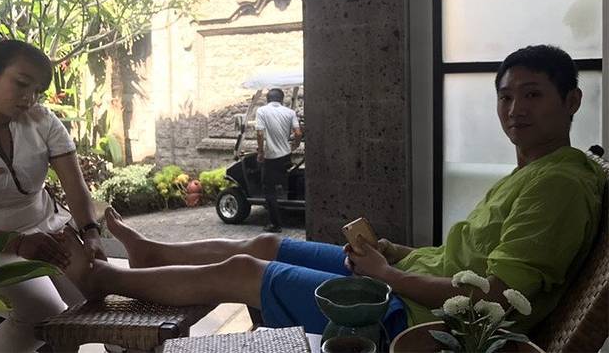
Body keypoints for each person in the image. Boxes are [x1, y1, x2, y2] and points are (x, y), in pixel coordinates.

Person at [61, 45, 605, 340]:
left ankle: (107, 277)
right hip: (410, 281)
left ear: (572, 101)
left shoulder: (558, 185)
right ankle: (153, 251)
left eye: (533, 95)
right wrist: (393, 253)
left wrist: (387, 276)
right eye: (506, 97)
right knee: (266, 244)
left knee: (245, 272)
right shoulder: (539, 170)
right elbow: (469, 263)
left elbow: (496, 300)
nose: (515, 109)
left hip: (419, 322)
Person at [0, 39, 107, 353]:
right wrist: (18, 243)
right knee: (44, 313)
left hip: (50, 234)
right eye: (21, 84)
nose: (29, 98)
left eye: (37, 91)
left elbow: (75, 186)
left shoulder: (42, 121)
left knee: (104, 302)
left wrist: (91, 233)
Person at [255, 88, 302, 233]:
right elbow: (298, 132)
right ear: (282, 99)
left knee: (269, 190)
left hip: (271, 157)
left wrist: (260, 152)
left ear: (267, 99)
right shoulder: (290, 112)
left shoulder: (262, 111)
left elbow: (259, 133)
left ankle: (275, 224)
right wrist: (295, 145)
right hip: (286, 155)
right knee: (283, 181)